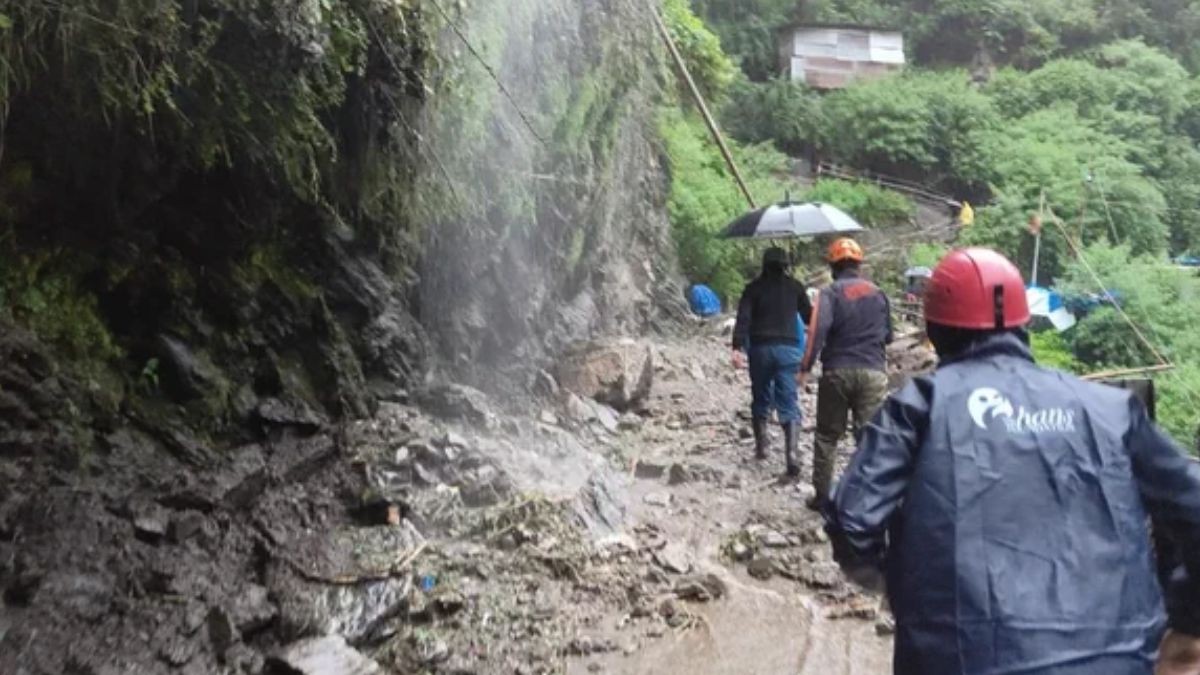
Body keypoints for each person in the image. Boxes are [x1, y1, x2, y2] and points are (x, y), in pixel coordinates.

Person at [824, 247, 1200, 675]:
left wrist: (897, 586)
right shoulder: (1110, 409)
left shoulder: (919, 406)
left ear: (934, 329)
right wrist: (1186, 622)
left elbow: (852, 522)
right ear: (1024, 323)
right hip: (1118, 659)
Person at [800, 237, 892, 507]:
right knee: (869, 437)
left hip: (837, 371)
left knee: (827, 436)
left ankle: (823, 497)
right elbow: (888, 336)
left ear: (833, 267)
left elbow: (817, 332)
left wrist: (805, 368)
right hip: (873, 372)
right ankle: (869, 498)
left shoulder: (829, 293)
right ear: (859, 265)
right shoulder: (878, 293)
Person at [731, 247, 813, 476]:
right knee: (788, 400)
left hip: (760, 349)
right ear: (785, 265)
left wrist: (737, 347)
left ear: (764, 265)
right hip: (789, 350)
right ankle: (792, 455)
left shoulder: (753, 288)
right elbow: (809, 316)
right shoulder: (795, 287)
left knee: (760, 396)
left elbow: (743, 319)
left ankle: (762, 446)